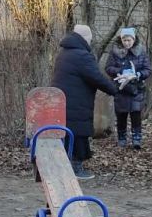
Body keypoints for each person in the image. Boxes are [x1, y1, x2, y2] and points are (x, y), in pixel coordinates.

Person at [51, 25, 119, 180]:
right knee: (78, 132)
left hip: (63, 101)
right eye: (89, 39)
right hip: (77, 101)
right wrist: (114, 89)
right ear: (85, 38)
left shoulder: (64, 52)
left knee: (68, 132)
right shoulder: (82, 55)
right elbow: (96, 77)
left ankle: (66, 166)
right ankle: (76, 168)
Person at [105, 27, 151, 149]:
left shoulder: (141, 51)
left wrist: (138, 75)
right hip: (121, 89)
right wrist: (120, 71)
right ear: (121, 40)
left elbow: (147, 69)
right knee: (121, 115)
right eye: (124, 40)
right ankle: (122, 139)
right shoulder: (115, 52)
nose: (127, 43)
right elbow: (108, 68)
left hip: (137, 88)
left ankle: (136, 139)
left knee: (136, 115)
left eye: (129, 40)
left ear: (133, 39)